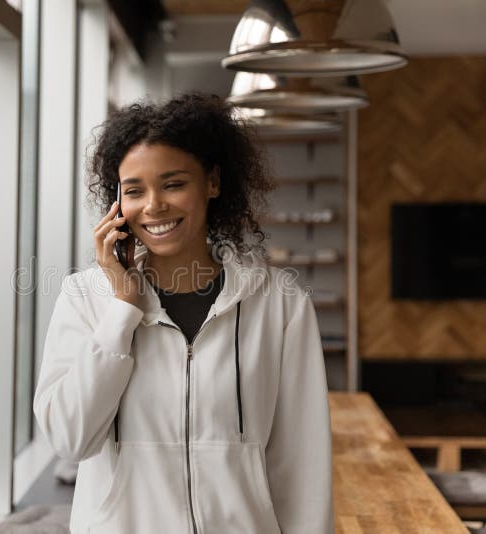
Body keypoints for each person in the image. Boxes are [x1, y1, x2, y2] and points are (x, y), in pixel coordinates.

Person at [33, 93, 334, 534]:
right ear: (117, 203)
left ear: (212, 183)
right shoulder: (85, 299)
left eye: (173, 183)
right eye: (134, 190)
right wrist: (122, 310)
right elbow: (69, 438)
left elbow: (302, 463)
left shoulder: (281, 305)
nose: (153, 205)